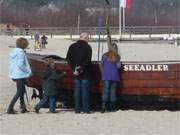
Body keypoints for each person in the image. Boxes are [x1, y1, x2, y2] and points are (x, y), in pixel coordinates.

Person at [66, 33, 92, 113]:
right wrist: (81, 69)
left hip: (75, 73)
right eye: (88, 38)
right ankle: (85, 109)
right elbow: (88, 60)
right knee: (85, 92)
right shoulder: (88, 47)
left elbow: (68, 58)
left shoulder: (72, 46)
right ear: (84, 38)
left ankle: (77, 109)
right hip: (85, 73)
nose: (88, 39)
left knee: (77, 92)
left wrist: (74, 69)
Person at [7, 37, 32, 114]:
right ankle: (10, 108)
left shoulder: (14, 51)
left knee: (22, 90)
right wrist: (28, 71)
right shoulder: (20, 52)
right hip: (20, 74)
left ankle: (23, 106)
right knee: (20, 91)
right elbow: (20, 64)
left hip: (15, 73)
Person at [100, 43, 121, 113]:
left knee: (105, 91)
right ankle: (112, 107)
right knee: (113, 91)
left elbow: (101, 64)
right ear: (116, 49)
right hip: (114, 75)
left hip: (106, 75)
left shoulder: (104, 55)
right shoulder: (117, 56)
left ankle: (103, 107)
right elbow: (118, 66)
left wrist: (103, 71)